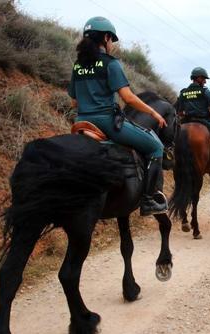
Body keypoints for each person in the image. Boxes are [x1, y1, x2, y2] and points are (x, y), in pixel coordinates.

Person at [69, 16, 168, 215]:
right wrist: (153, 112)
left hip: (81, 123)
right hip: (106, 123)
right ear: (106, 38)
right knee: (156, 147)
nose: (112, 44)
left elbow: (74, 101)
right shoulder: (110, 63)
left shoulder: (77, 66)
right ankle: (148, 200)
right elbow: (128, 98)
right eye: (112, 40)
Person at [176, 67, 210, 170]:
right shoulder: (205, 92)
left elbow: (180, 112)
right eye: (204, 78)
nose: (205, 81)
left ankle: (171, 159)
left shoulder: (183, 92)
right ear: (198, 78)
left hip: (186, 120)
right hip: (203, 120)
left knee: (173, 137)